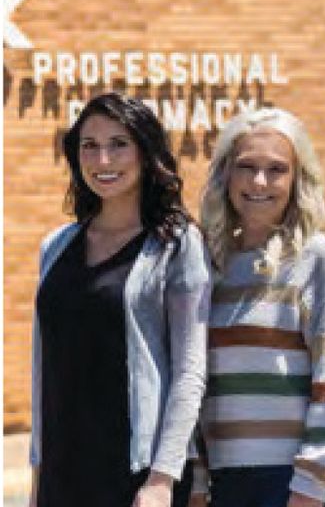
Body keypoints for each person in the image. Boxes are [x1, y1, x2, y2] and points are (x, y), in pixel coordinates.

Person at [30, 92, 210, 507]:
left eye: (118, 144)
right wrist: (38, 476)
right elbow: (45, 370)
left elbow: (189, 371)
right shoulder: (56, 246)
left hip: (135, 476)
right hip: (64, 473)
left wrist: (162, 479)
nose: (102, 160)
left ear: (146, 153)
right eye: (89, 146)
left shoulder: (175, 244)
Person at [190, 108, 325, 507]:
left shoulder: (317, 258)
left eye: (276, 170)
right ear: (226, 174)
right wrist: (197, 482)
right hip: (224, 484)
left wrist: (311, 487)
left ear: (297, 180)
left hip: (296, 487)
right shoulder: (205, 263)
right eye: (246, 167)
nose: (259, 182)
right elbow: (192, 382)